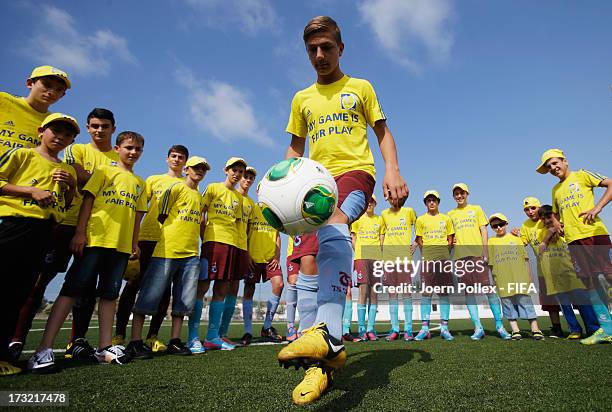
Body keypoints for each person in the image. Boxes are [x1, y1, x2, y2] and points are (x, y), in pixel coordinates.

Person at [277, 16, 408, 406]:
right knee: (306, 261)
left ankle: (329, 335)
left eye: (327, 48)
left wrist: (393, 170)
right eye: (312, 50)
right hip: (312, 183)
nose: (319, 55)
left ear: (341, 48)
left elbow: (382, 132)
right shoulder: (301, 99)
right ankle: (319, 364)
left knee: (336, 222)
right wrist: (282, 188)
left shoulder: (360, 88)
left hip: (354, 175)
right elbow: (294, 149)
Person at [28, 131, 147, 372]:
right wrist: (80, 232)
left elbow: (137, 215)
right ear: (117, 148)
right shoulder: (103, 172)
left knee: (109, 295)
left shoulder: (140, 183)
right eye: (128, 147)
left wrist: (134, 242)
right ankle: (43, 348)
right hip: (95, 240)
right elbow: (88, 202)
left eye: (137, 149)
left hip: (121, 247)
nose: (132, 152)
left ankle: (104, 348)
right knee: (71, 290)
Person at [9, 108, 120, 362]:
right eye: (94, 126)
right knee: (38, 280)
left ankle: (76, 342)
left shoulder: (119, 156)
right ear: (88, 128)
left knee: (86, 287)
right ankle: (17, 339)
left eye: (105, 126)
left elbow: (98, 182)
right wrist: (103, 180)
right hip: (64, 222)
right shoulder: (77, 149)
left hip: (99, 229)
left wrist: (92, 179)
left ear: (113, 129)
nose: (99, 130)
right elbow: (74, 175)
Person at [0, 113, 78, 376]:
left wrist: (68, 189)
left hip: (44, 230)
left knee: (19, 292)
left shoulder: (66, 171)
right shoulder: (22, 155)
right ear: (40, 130)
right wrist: (30, 191)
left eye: (67, 135)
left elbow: (65, 206)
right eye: (55, 131)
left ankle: (3, 356)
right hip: (12, 224)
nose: (60, 137)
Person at [127, 156, 209, 358]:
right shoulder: (175, 188)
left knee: (184, 300)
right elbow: (161, 215)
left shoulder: (198, 196)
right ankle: (135, 341)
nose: (199, 171)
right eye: (196, 168)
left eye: (203, 169)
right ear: (187, 169)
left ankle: (174, 340)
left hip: (191, 254)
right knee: (149, 294)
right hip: (167, 250)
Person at [114, 145, 189, 352]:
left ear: (185, 163)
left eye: (180, 157)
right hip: (147, 237)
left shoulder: (189, 184)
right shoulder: (153, 180)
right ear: (167, 159)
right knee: (133, 285)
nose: (176, 160)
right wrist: (133, 239)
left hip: (169, 243)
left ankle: (152, 336)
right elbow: (139, 209)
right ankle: (119, 334)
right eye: (173, 156)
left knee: (165, 290)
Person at [537, 148, 612, 344]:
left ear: (565, 161)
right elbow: (555, 214)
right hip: (573, 241)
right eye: (549, 167)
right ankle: (607, 329)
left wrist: (598, 207)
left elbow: (610, 184)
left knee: (609, 276)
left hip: (594, 235)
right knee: (589, 285)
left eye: (555, 163)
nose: (553, 168)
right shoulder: (555, 190)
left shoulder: (582, 175)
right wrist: (557, 225)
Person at [188, 157, 245, 351]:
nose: (236, 174)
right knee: (202, 287)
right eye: (233, 170)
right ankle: (193, 336)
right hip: (213, 244)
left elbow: (237, 225)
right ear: (225, 170)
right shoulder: (213, 188)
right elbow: (200, 214)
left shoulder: (238, 198)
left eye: (240, 171)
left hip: (231, 247)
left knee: (222, 289)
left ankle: (212, 336)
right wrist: (206, 238)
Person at [447, 183, 510, 340]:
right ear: (453, 196)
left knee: (488, 289)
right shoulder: (450, 214)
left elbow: (483, 231)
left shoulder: (477, 209)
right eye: (456, 194)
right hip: (460, 257)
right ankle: (478, 327)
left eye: (462, 193)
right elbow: (450, 235)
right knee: (468, 291)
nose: (459, 196)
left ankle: (499, 326)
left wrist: (485, 252)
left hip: (477, 255)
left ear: (467, 194)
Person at [537, 205, 600, 338]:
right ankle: (575, 330)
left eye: (549, 216)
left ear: (556, 215)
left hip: (573, 272)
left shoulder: (565, 228)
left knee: (583, 301)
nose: (546, 220)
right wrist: (549, 233)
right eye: (542, 218)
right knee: (565, 305)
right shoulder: (541, 232)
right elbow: (542, 247)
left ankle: (593, 328)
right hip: (556, 277)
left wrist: (557, 229)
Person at [512, 197, 571, 338]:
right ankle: (557, 328)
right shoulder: (525, 225)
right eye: (526, 209)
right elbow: (523, 243)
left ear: (539, 207)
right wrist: (515, 235)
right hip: (543, 269)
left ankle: (583, 326)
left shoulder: (548, 218)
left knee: (572, 297)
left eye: (533, 208)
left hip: (561, 264)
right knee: (550, 300)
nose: (530, 211)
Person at [241, 167, 284, 345]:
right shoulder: (251, 207)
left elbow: (278, 235)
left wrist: (276, 257)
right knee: (249, 291)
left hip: (270, 259)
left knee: (279, 284)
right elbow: (244, 232)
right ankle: (248, 331)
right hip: (253, 257)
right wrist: (247, 254)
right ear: (258, 191)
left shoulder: (274, 211)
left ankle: (267, 326)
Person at [487, 213, 544, 341]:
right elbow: (490, 263)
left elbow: (525, 259)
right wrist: (494, 280)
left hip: (520, 277)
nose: (498, 228)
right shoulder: (491, 241)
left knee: (526, 302)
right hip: (502, 279)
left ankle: (535, 329)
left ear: (506, 224)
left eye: (501, 224)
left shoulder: (516, 238)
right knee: (507, 305)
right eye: (495, 226)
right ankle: (515, 330)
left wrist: (529, 276)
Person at [218, 162, 254, 346]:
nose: (246, 179)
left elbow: (248, 229)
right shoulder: (229, 194)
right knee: (220, 289)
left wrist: (247, 251)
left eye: (249, 177)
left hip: (241, 248)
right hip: (225, 244)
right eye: (244, 175)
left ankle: (223, 332)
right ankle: (213, 333)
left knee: (234, 289)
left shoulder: (251, 203)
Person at [0, 65, 71, 155]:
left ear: (62, 95)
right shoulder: (3, 100)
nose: (51, 92)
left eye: (59, 89)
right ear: (30, 83)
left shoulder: (54, 121)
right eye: (47, 85)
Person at [414, 190, 455, 341]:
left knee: (444, 293)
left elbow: (450, 239)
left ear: (438, 202)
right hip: (428, 261)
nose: (431, 202)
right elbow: (419, 240)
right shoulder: (421, 220)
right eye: (428, 200)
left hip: (443, 260)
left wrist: (443, 252)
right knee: (426, 293)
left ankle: (444, 328)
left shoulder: (446, 219)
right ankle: (425, 328)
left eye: (434, 200)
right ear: (425, 203)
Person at [380, 196, 417, 341]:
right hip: (389, 259)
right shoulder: (384, 214)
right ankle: (394, 329)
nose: (393, 199)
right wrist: (383, 250)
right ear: (388, 198)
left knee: (406, 293)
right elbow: (382, 233)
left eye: (395, 196)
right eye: (390, 196)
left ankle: (408, 329)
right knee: (392, 294)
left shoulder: (409, 211)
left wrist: (415, 243)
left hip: (404, 258)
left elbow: (419, 226)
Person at [351, 195, 384, 341]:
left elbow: (382, 241)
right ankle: (361, 329)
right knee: (363, 291)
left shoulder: (380, 220)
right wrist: (359, 253)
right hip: (362, 258)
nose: (369, 204)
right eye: (367, 201)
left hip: (376, 259)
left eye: (372, 201)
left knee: (374, 293)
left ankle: (371, 328)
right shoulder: (357, 219)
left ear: (375, 204)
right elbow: (353, 238)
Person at [285, 237, 300, 342]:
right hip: (294, 250)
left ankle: (360, 329)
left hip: (313, 249)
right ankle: (290, 326)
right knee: (293, 281)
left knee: (310, 286)